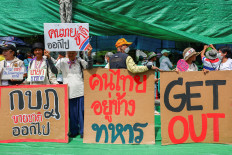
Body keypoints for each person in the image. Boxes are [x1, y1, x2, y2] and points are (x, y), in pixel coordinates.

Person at [53, 45, 93, 138]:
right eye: (69, 53)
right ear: (67, 53)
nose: (71, 54)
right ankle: (74, 131)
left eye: (73, 53)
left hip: (80, 90)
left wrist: (90, 55)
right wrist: (48, 58)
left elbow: (90, 68)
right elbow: (54, 70)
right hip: (69, 91)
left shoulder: (80, 61)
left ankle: (83, 131)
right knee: (72, 113)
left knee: (82, 112)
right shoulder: (61, 61)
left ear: (76, 53)